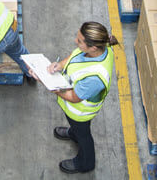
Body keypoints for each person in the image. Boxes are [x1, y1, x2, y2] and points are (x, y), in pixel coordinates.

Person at [32, 22, 118, 174]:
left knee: (84, 136)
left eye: (79, 41)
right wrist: (59, 65)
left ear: (93, 47)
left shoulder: (94, 78)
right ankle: (73, 133)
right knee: (78, 131)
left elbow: (73, 97)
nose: (75, 42)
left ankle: (85, 163)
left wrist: (48, 83)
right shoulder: (99, 48)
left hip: (79, 114)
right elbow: (74, 57)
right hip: (73, 110)